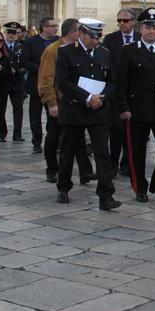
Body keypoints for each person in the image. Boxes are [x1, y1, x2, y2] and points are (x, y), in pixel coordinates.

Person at [54, 19, 119, 210]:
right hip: (75, 109)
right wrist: (87, 97)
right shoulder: (66, 52)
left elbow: (113, 82)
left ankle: (106, 195)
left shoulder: (104, 53)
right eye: (92, 36)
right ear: (81, 33)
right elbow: (64, 82)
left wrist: (102, 98)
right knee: (68, 150)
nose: (96, 40)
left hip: (98, 110)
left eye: (99, 36)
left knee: (102, 153)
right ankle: (63, 187)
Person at [115, 7, 155, 203]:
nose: (151, 31)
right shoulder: (129, 51)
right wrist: (123, 107)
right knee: (137, 151)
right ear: (140, 28)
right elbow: (121, 81)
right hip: (137, 109)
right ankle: (139, 187)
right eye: (148, 27)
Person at [37, 18, 93, 186]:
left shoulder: (78, 50)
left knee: (78, 138)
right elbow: (46, 79)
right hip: (59, 101)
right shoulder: (53, 50)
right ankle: (52, 169)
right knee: (54, 136)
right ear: (72, 33)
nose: (82, 34)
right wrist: (51, 102)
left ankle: (85, 172)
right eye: (79, 31)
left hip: (76, 101)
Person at [103, 8, 138, 176]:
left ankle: (127, 164)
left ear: (133, 22)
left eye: (125, 21)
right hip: (116, 92)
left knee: (132, 132)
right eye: (119, 21)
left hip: (135, 91)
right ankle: (113, 164)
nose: (121, 24)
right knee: (115, 131)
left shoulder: (140, 38)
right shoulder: (111, 39)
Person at [23, 16, 59, 153]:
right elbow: (25, 62)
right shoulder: (31, 42)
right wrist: (43, 69)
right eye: (52, 25)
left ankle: (54, 141)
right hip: (36, 85)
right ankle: (36, 141)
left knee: (53, 115)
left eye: (56, 25)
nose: (55, 28)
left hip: (54, 86)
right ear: (44, 28)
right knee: (35, 116)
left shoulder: (59, 41)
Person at [0, 22, 28, 143]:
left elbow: (26, 62)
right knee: (1, 108)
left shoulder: (21, 46)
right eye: (9, 32)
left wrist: (19, 70)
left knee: (18, 108)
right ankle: (2, 133)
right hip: (3, 82)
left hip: (17, 82)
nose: (12, 35)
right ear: (5, 33)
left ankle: (17, 134)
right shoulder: (0, 46)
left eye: (14, 33)